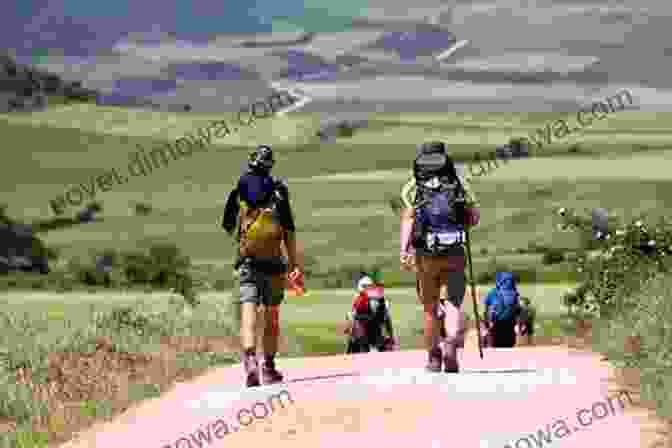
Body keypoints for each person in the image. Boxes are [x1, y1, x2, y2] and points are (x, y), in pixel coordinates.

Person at [222, 144, 304, 387]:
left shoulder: (240, 187)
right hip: (274, 264)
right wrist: (293, 265)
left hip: (248, 261)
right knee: (271, 316)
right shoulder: (279, 191)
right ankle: (268, 367)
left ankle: (249, 361)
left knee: (249, 311)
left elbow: (227, 224)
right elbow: (288, 230)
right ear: (270, 165)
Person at [399, 141, 481, 373]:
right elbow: (473, 218)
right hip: (454, 251)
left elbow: (408, 219)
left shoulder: (413, 187)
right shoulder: (458, 184)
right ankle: (451, 345)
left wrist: (404, 251)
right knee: (454, 302)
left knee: (430, 308)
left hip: (426, 256)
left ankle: (434, 358)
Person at [344, 274, 398, 353]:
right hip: (363, 331)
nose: (367, 288)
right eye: (365, 286)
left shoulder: (377, 297)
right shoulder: (359, 298)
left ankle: (390, 340)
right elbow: (353, 315)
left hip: (374, 328)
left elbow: (385, 315)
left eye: (368, 286)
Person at [482, 271, 523, 348]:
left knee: (496, 347)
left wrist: (486, 324)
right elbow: (518, 310)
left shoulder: (493, 292)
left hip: (496, 324)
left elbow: (486, 309)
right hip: (509, 325)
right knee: (508, 347)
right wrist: (519, 325)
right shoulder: (514, 293)